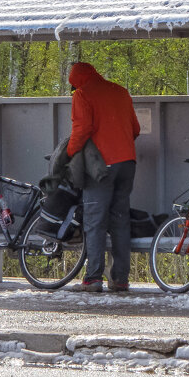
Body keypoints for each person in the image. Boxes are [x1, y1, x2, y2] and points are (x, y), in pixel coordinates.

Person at [66, 62, 140, 293]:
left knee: (95, 221)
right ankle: (120, 279)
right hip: (127, 162)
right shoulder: (120, 91)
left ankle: (93, 278)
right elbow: (135, 128)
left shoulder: (82, 94)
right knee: (120, 220)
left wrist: (69, 154)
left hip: (100, 166)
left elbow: (82, 128)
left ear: (76, 80)